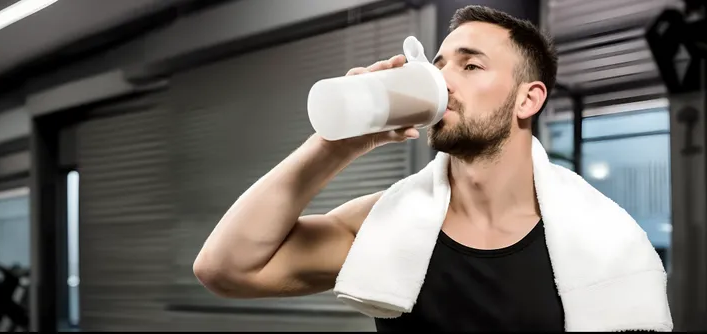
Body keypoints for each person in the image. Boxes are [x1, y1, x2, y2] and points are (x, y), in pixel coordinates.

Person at [193, 5, 661, 332]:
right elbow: (226, 269)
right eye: (438, 66)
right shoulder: (388, 222)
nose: (442, 80)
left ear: (528, 99)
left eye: (471, 66)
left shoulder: (603, 238)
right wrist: (334, 145)